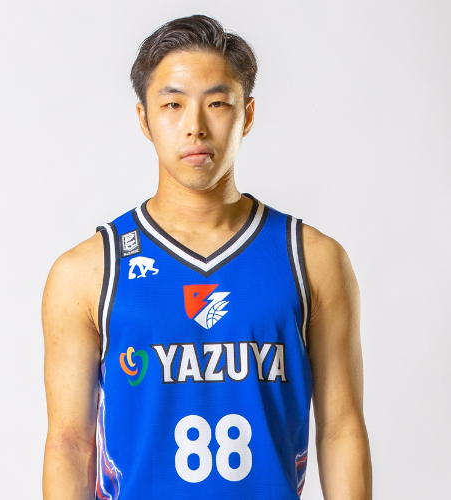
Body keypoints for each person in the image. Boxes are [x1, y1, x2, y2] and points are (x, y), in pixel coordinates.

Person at [42, 14, 372, 500]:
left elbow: (341, 427)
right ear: (144, 118)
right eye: (173, 104)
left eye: (217, 103)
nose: (194, 127)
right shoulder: (88, 272)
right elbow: (70, 445)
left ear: (248, 114)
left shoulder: (312, 259)